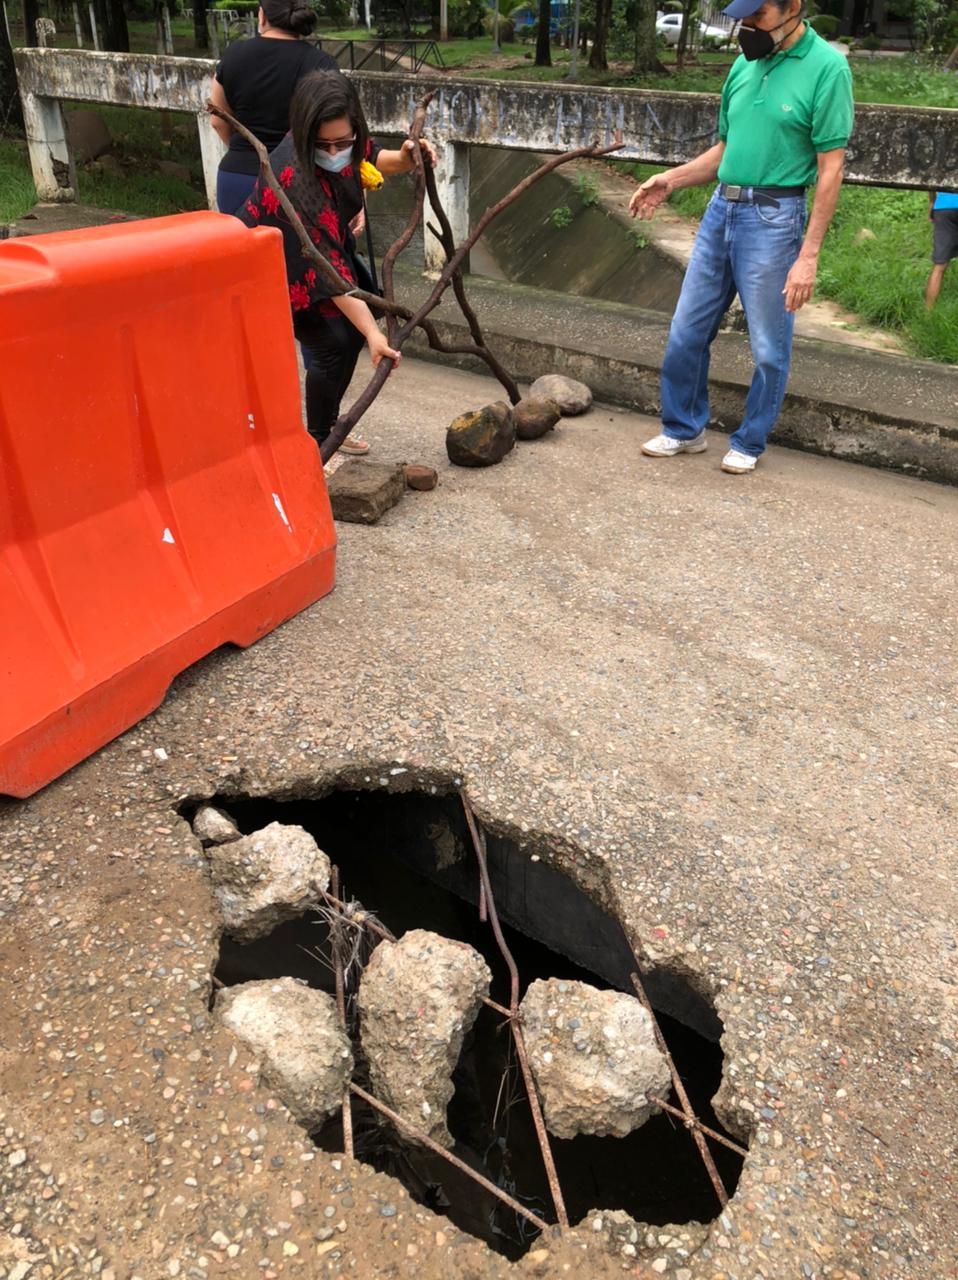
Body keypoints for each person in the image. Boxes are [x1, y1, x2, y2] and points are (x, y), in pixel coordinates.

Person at [630, 0, 853, 474]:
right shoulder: (743, 63)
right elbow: (726, 150)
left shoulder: (828, 68)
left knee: (769, 346)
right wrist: (669, 180)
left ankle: (750, 441)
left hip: (775, 217)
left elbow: (830, 168)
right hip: (720, 211)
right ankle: (683, 429)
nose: (746, 25)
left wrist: (808, 255)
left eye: (758, 14)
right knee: (686, 331)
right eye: (742, 15)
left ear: (792, 6)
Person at [238, 71, 436, 456]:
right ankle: (315, 444)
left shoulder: (344, 138)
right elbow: (332, 272)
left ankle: (329, 427)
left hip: (320, 255)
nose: (334, 152)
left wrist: (407, 158)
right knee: (333, 343)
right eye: (323, 145)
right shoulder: (295, 179)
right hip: (279, 262)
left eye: (342, 142)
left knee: (348, 339)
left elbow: (367, 154)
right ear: (304, 131)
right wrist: (374, 334)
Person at [209, 0, 338, 218]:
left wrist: (244, 151)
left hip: (237, 176)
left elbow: (218, 119)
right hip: (297, 179)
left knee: (244, 249)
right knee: (292, 251)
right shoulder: (321, 63)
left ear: (262, 16)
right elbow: (333, 134)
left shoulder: (234, 54)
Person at [925, 190, 958, 309]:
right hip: (944, 208)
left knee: (939, 266)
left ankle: (928, 315)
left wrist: (932, 202)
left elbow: (932, 180)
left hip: (944, 207)